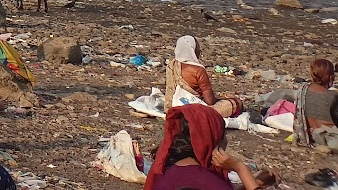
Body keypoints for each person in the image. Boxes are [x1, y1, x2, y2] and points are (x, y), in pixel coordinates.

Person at [144, 103, 274, 190]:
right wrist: (240, 168)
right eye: (223, 136)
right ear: (213, 140)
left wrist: (256, 183)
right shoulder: (206, 180)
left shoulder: (165, 171)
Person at [170, 36, 246, 122]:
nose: (199, 51)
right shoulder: (198, 70)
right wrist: (220, 99)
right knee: (236, 103)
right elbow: (210, 101)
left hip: (172, 106)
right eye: (197, 48)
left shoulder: (171, 65)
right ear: (192, 50)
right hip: (193, 110)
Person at [297, 58, 337, 149]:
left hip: (311, 135)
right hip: (331, 139)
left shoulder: (303, 90)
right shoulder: (333, 96)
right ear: (331, 77)